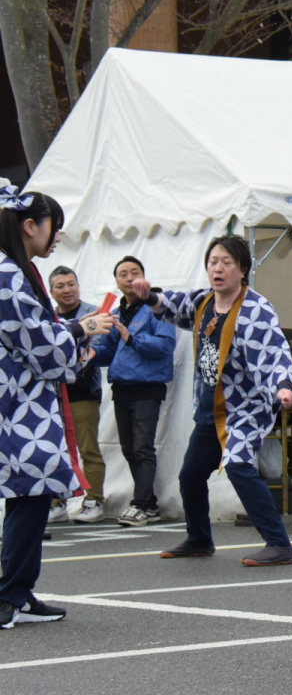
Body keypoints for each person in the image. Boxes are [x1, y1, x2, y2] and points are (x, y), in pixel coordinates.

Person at [131, 236, 292, 566]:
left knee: (237, 465)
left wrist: (283, 385)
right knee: (190, 475)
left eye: (227, 263)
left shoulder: (255, 309)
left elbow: (275, 350)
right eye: (213, 262)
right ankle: (199, 538)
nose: (218, 269)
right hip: (210, 406)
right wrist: (147, 295)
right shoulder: (204, 302)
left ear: (243, 270)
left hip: (245, 408)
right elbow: (174, 306)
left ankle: (279, 544)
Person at [0, 187, 115, 629]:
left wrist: (74, 333)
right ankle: (10, 593)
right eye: (54, 227)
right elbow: (43, 346)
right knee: (28, 493)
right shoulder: (10, 274)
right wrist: (82, 327)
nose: (56, 238)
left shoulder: (15, 270)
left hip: (23, 400)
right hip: (21, 404)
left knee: (28, 496)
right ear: (31, 226)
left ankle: (19, 591)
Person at [90, 256, 178, 527]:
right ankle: (148, 502)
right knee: (129, 448)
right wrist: (90, 350)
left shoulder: (157, 307)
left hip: (147, 386)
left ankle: (140, 504)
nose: (129, 278)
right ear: (116, 281)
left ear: (144, 277)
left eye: (134, 273)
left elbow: (166, 345)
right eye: (123, 274)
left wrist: (132, 337)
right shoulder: (117, 310)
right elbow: (109, 352)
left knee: (142, 447)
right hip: (122, 387)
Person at [46, 266, 106, 524]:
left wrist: (82, 354)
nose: (67, 290)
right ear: (51, 291)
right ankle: (56, 501)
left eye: (71, 284)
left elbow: (101, 345)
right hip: (53, 397)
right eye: (60, 286)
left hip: (83, 393)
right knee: (54, 450)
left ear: (78, 286)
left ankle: (94, 500)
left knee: (87, 448)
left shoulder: (91, 313)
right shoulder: (47, 317)